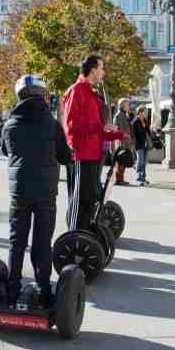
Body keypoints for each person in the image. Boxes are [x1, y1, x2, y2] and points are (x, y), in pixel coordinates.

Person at [2, 74, 72, 306]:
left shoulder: (10, 123)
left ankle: (12, 289)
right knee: (42, 241)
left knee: (17, 241)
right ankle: (43, 289)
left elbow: (6, 151)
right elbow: (65, 156)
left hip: (19, 190)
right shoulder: (51, 124)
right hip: (45, 191)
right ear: (42, 95)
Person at [62, 54, 124, 231]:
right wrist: (100, 126)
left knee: (91, 200)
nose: (103, 72)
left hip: (94, 154)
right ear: (93, 70)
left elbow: (96, 130)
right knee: (79, 200)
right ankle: (74, 236)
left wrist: (117, 135)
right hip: (82, 154)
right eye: (102, 68)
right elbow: (71, 124)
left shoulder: (92, 93)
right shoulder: (77, 90)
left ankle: (87, 236)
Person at [113, 99, 135, 186]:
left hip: (125, 140)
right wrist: (125, 139)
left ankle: (120, 179)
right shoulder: (119, 115)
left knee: (123, 160)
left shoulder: (123, 115)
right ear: (122, 105)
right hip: (122, 141)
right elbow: (119, 129)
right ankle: (118, 179)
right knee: (121, 160)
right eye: (127, 105)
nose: (128, 107)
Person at [131, 105, 153, 186]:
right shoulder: (135, 122)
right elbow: (134, 134)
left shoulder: (145, 121)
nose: (146, 113)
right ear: (140, 112)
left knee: (144, 162)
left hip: (145, 144)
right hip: (138, 144)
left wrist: (147, 129)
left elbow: (148, 132)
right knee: (140, 160)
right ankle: (139, 177)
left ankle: (143, 177)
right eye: (145, 111)